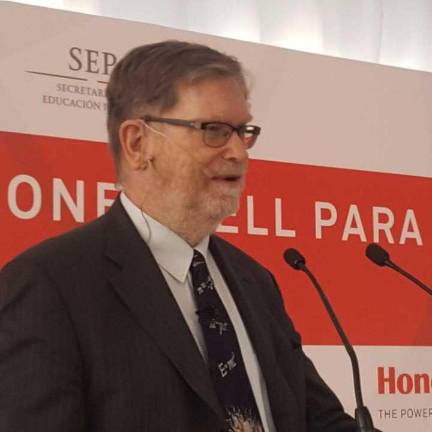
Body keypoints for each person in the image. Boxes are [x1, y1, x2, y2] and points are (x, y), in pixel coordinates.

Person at [0, 40, 360, 432]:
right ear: (138, 143)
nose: (239, 152)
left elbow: (318, 420)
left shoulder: (255, 281)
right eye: (214, 130)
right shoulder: (50, 286)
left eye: (242, 131)